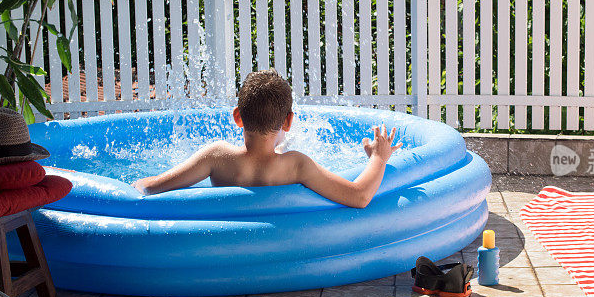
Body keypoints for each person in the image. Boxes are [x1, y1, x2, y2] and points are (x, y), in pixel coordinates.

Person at [132, 69, 401, 207]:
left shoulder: (217, 157)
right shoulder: (295, 165)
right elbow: (360, 196)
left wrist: (133, 186)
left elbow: (152, 186)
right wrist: (379, 157)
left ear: (237, 116)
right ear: (288, 121)